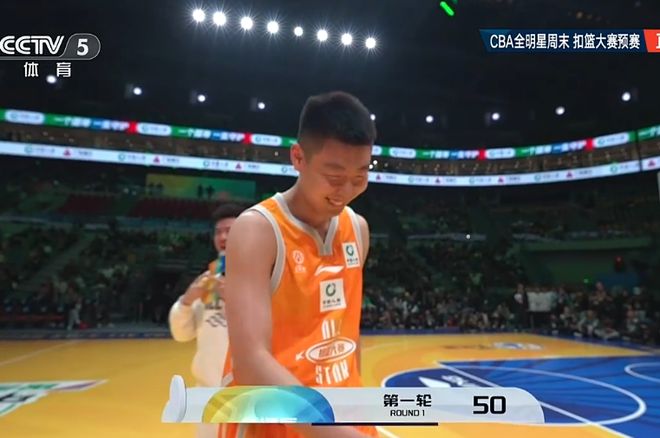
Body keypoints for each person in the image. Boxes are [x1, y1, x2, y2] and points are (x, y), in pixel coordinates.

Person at [221, 91, 378, 438]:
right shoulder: (258, 231)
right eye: (334, 177)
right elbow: (250, 363)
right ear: (298, 157)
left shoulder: (358, 230)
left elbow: (347, 336)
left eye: (360, 177)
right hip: (272, 422)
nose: (346, 191)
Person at [169, 203, 244, 438]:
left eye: (230, 231)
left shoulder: (264, 277)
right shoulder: (207, 279)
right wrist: (187, 301)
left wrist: (234, 301)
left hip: (246, 395)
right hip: (208, 395)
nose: (222, 237)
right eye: (218, 232)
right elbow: (182, 334)